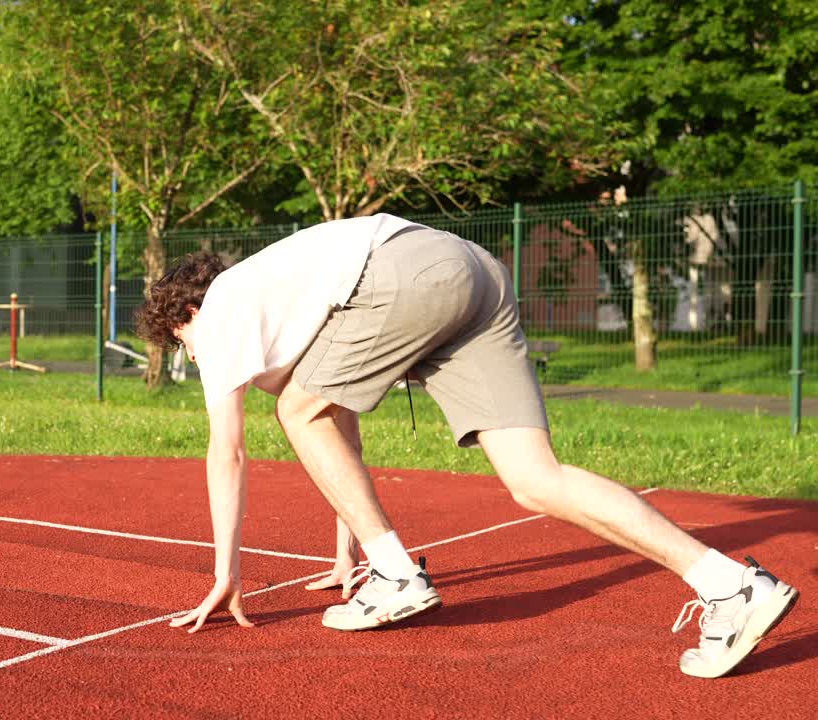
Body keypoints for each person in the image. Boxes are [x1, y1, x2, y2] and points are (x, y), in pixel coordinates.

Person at [136, 216, 798, 678]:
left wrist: (227, 572)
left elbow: (229, 451)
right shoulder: (279, 304)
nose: (190, 356)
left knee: (293, 407)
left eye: (180, 343)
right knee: (535, 479)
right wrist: (348, 554)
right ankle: (731, 584)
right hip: (472, 270)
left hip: (404, 271)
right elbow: (337, 429)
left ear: (181, 319)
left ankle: (397, 576)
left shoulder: (218, 313)